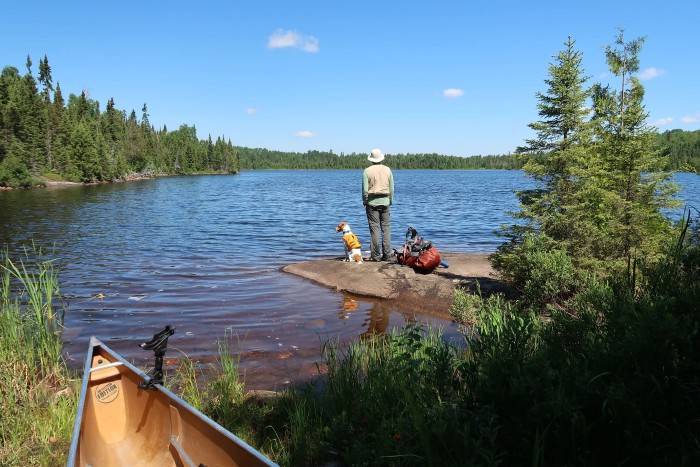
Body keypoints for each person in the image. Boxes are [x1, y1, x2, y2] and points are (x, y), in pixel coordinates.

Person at [363, 148, 394, 261]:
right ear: (381, 158)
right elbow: (392, 188)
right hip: (385, 202)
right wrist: (390, 201)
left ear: (371, 159)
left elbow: (365, 191)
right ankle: (387, 255)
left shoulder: (367, 171)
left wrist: (365, 201)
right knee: (386, 228)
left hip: (372, 203)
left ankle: (376, 256)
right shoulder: (387, 170)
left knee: (374, 229)